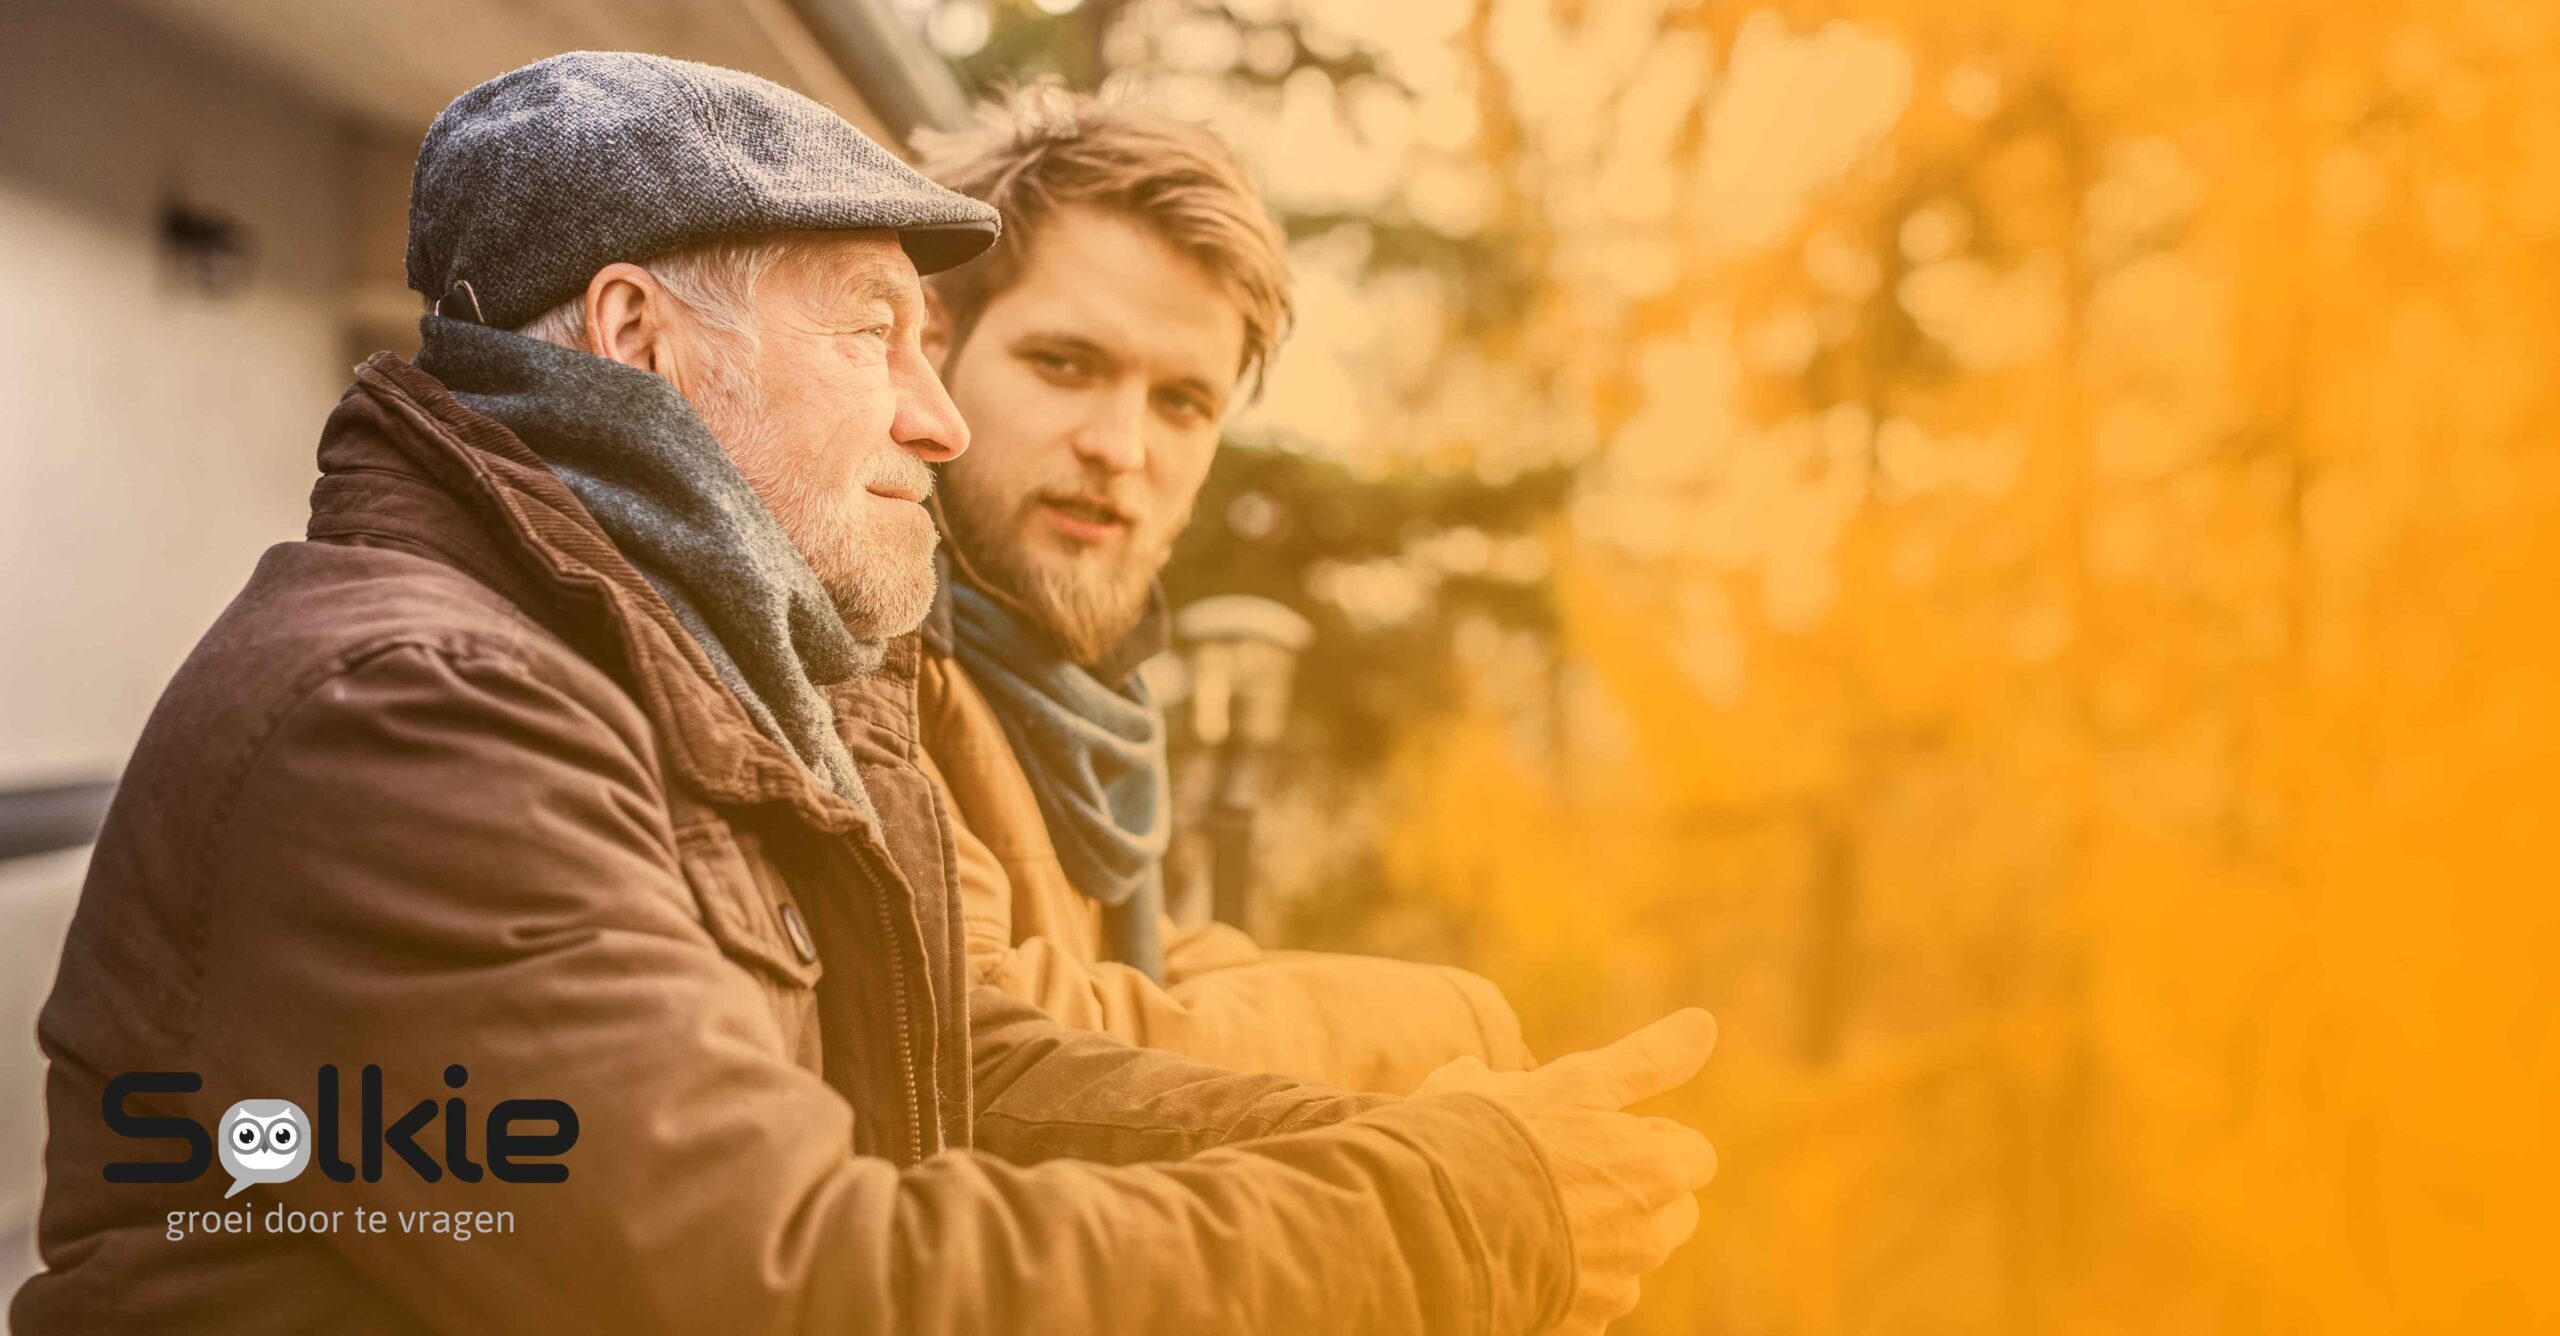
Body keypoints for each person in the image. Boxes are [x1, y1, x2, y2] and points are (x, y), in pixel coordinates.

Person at [10, 53, 1716, 1333]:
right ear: (636, 337)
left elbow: (957, 1065)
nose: (940, 416)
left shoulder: (686, 686)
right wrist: (1448, 1215)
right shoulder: (411, 718)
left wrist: (1426, 1136)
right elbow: (799, 1281)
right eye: (874, 335)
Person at [906, 89, 1536, 1095]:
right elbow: (991, 1030)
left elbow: (1135, 969)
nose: (1120, 447)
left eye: (1181, 401)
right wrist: (1454, 1024)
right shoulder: (868, 639)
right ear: (930, 339)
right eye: (1064, 364)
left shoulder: (1085, 699)